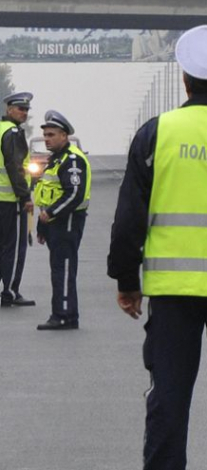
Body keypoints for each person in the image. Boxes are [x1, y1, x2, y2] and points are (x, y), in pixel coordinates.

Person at [108, 25, 207, 470]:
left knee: (168, 396)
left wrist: (128, 281)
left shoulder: (157, 134)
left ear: (184, 80)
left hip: (174, 293)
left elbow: (130, 218)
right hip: (175, 292)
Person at [0, 92, 35, 307]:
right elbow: (15, 167)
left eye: (27, 110)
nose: (25, 113)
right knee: (14, 246)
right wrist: (25, 196)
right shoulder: (12, 133)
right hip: (11, 198)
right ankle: (10, 291)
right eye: (21, 109)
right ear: (9, 109)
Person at [34, 111, 91, 330]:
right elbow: (46, 192)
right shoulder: (56, 159)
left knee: (64, 268)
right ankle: (62, 313)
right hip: (55, 223)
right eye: (45, 135)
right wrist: (42, 225)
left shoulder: (72, 160)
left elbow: (74, 194)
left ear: (64, 136)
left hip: (67, 221)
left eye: (51, 135)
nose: (47, 139)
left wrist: (51, 212)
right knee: (58, 268)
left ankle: (65, 315)